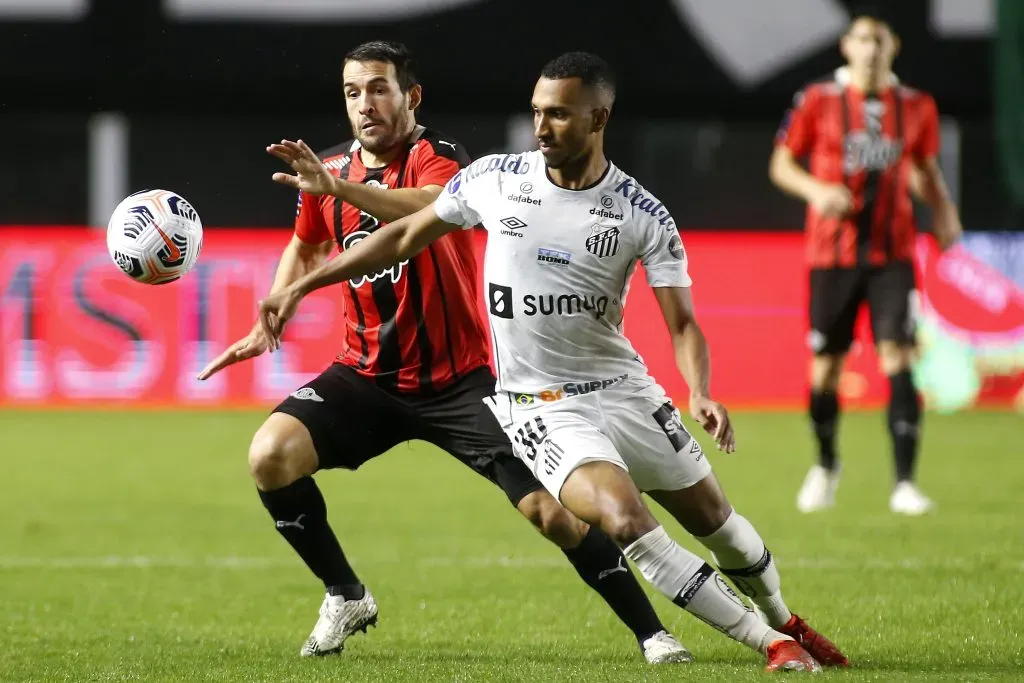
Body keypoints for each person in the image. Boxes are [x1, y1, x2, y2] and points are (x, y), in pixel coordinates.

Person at [257, 50, 849, 672]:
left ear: (600, 117)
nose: (542, 127)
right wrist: (302, 286)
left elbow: (683, 323)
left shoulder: (641, 214)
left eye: (560, 115)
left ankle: (784, 618)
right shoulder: (495, 179)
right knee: (622, 517)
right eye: (537, 112)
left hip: (626, 391)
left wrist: (699, 390)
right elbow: (404, 232)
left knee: (717, 524)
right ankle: (771, 646)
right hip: (540, 404)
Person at [197, 40, 689, 663]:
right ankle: (344, 594)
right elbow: (307, 242)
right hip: (366, 374)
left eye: (379, 88)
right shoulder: (325, 170)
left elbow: (422, 210)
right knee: (270, 455)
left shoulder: (444, 160)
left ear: (412, 96)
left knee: (552, 513)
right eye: (353, 92)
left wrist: (339, 191)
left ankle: (652, 632)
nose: (365, 104)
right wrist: (277, 304)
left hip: (462, 380)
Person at [769, 11, 963, 515]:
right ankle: (827, 464)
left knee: (897, 356)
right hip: (830, 255)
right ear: (846, 47)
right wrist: (816, 190)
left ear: (893, 47)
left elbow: (922, 166)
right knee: (825, 369)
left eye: (879, 40)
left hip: (892, 254)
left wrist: (942, 209)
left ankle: (904, 483)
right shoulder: (819, 100)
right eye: (862, 39)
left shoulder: (917, 106)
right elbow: (782, 163)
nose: (871, 49)